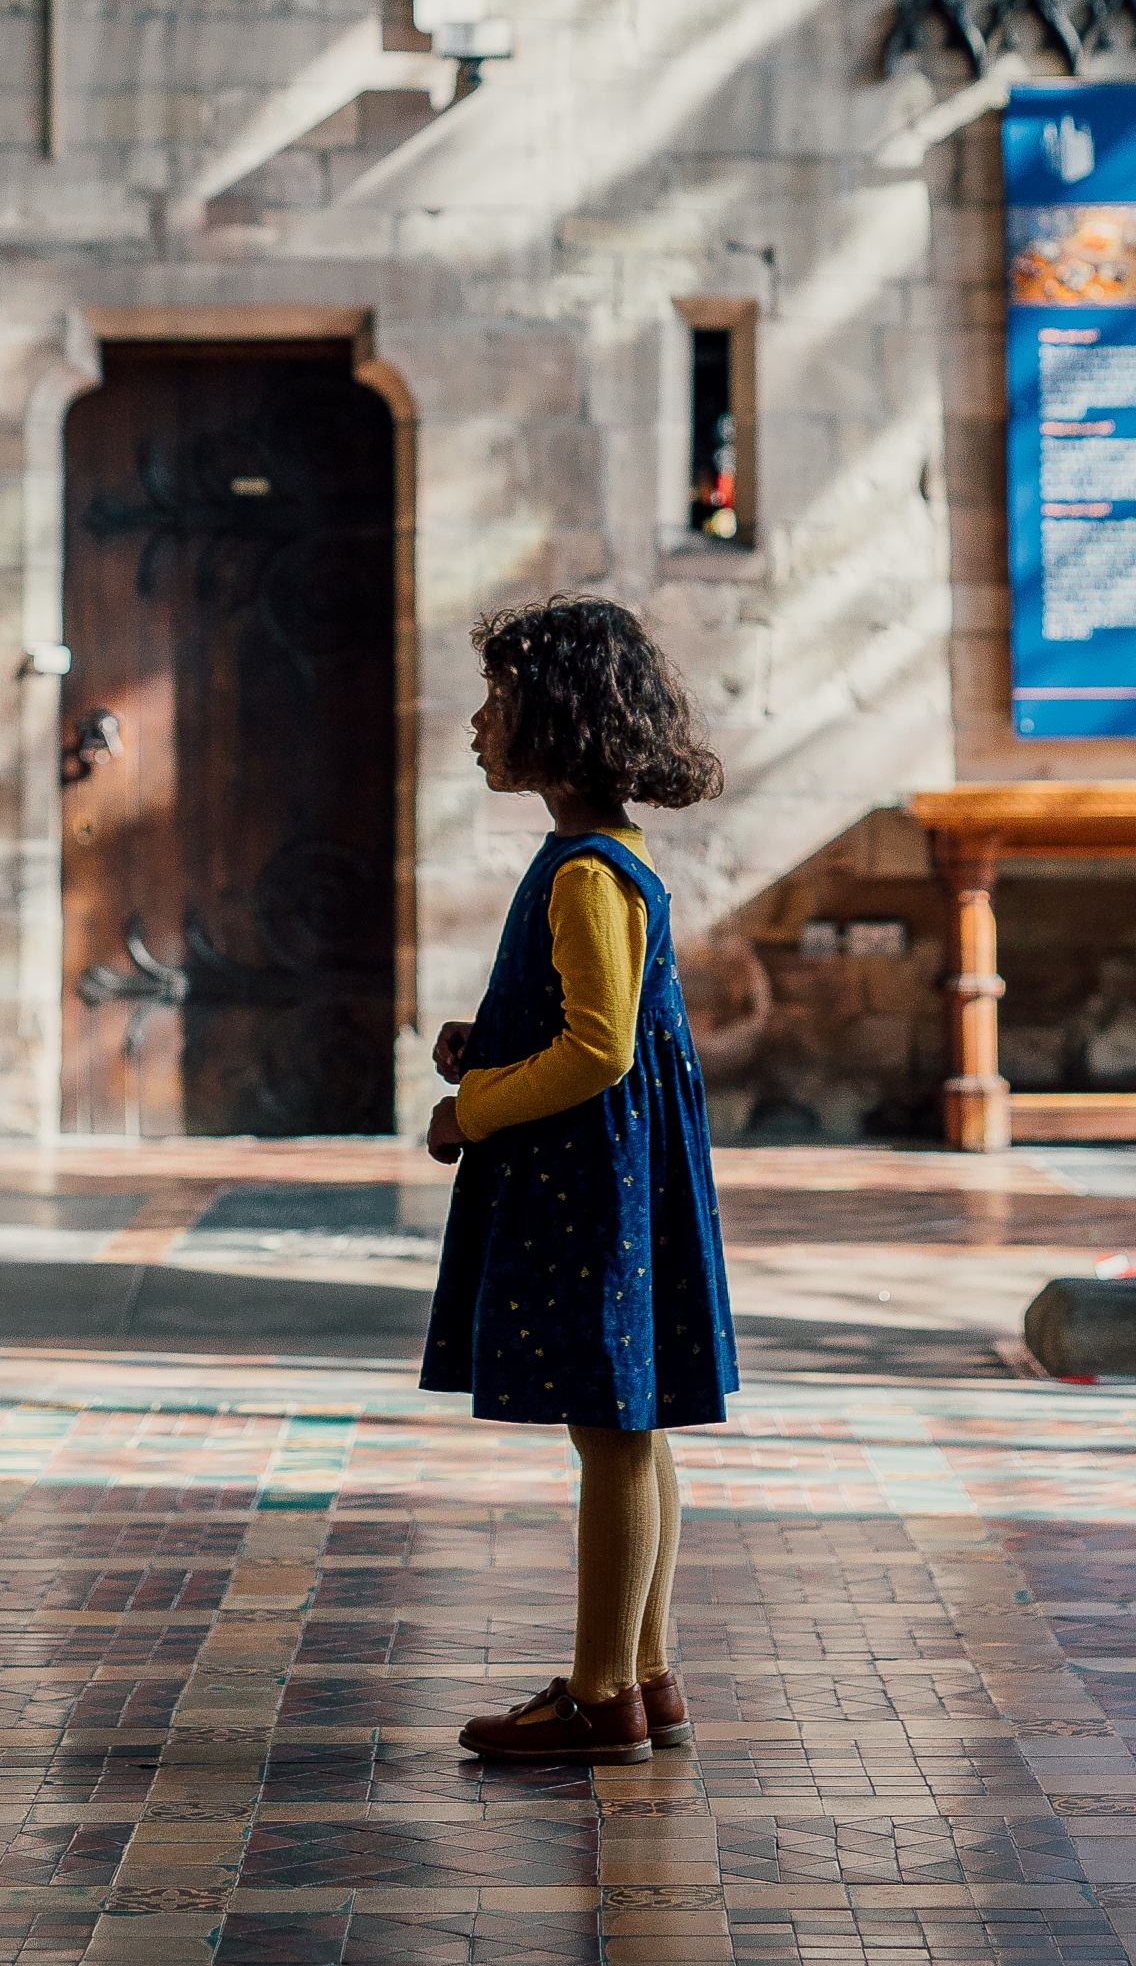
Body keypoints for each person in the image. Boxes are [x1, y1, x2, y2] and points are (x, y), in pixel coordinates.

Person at [421, 596, 737, 1767]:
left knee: (609, 1429)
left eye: (498, 702)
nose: (477, 722)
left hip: (583, 1184)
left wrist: (472, 1110)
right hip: (610, 1175)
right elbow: (582, 1016)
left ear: (554, 723)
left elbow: (597, 1048)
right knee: (631, 1427)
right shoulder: (603, 862)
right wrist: (487, 1035)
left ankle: (601, 1691)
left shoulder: (585, 873)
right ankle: (647, 1675)